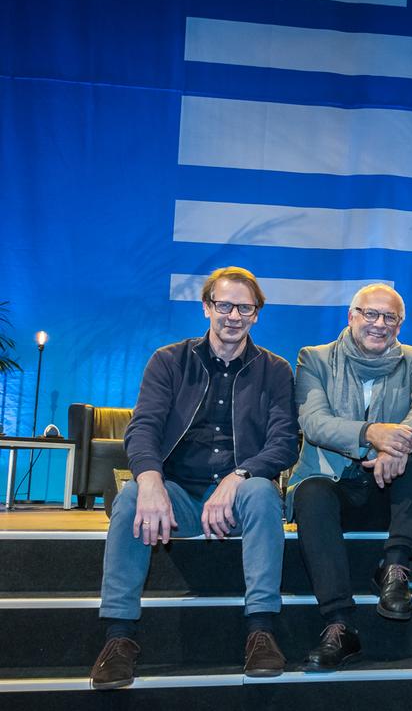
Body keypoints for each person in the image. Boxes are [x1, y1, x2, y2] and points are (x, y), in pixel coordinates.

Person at [92, 266, 298, 689]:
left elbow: (284, 443)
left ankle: (261, 631)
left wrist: (239, 476)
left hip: (240, 498)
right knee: (131, 498)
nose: (234, 316)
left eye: (245, 307)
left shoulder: (275, 370)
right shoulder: (169, 361)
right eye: (225, 305)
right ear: (207, 307)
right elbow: (143, 427)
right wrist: (148, 479)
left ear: (256, 314)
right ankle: (119, 638)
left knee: (261, 494)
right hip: (178, 496)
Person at [291, 283, 412, 671]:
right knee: (310, 493)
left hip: (385, 492)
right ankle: (340, 625)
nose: (379, 324)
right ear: (351, 317)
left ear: (400, 324)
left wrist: (397, 442)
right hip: (333, 490)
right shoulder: (315, 358)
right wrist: (371, 436)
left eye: (389, 317)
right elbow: (314, 423)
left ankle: (394, 568)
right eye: (370, 314)